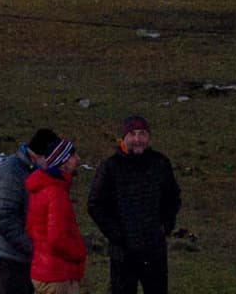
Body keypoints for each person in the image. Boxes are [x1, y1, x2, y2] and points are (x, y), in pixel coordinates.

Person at [85, 114, 181, 294]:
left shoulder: (160, 163)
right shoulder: (111, 167)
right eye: (133, 134)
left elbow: (173, 198)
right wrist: (117, 235)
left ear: (149, 137)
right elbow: (95, 204)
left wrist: (165, 227)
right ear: (124, 137)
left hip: (154, 252)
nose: (138, 139)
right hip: (123, 254)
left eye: (142, 134)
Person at [0, 126, 56, 293]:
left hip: (29, 257)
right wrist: (33, 246)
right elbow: (4, 218)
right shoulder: (11, 172)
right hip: (13, 259)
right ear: (39, 155)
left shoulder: (35, 171)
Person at [27, 137, 87, 290]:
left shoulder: (40, 189)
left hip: (42, 271)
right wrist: (79, 252)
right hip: (59, 276)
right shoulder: (56, 193)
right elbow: (57, 239)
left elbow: (31, 228)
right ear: (63, 162)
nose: (78, 159)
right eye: (73, 155)